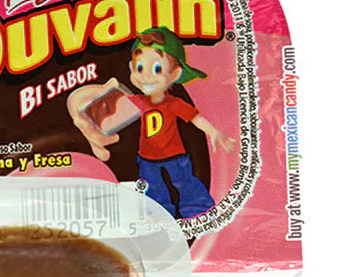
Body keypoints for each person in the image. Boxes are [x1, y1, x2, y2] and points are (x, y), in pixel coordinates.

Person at [67, 27, 236, 218]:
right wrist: (83, 109)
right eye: (140, 68)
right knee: (153, 187)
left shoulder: (173, 103)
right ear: (132, 69)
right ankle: (159, 214)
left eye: (157, 69)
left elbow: (195, 118)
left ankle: (197, 209)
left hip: (174, 155)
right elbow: (103, 102)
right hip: (147, 157)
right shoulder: (138, 101)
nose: (146, 76)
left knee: (183, 182)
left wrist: (214, 132)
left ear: (174, 74)